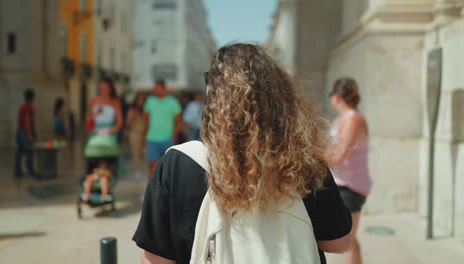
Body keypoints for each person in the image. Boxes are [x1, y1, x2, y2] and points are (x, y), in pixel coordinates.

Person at [133, 44, 352, 264]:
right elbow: (339, 242)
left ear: (213, 97)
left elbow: (154, 259)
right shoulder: (303, 162)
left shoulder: (179, 163)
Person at [327, 77, 372, 264]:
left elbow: (338, 156)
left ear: (336, 97)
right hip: (342, 185)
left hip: (351, 188)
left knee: (348, 242)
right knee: (351, 241)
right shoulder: (342, 120)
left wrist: (310, 153)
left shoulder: (354, 120)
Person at [143, 80, 182, 179]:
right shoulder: (150, 101)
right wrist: (144, 136)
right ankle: (151, 192)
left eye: (157, 88)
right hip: (152, 138)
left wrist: (173, 136)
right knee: (152, 165)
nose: (155, 90)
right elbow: (146, 120)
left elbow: (179, 122)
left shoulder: (173, 102)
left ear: (164, 88)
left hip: (167, 139)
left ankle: (166, 192)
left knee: (167, 167)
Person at [14, 88, 37, 178]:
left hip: (19, 131)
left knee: (19, 152)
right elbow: (27, 120)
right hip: (24, 132)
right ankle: (31, 172)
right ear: (33, 97)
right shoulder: (28, 106)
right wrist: (30, 135)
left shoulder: (23, 106)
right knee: (29, 152)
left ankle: (17, 172)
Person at [126, 94, 147, 179]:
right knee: (136, 153)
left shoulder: (146, 111)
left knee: (146, 153)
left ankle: (146, 170)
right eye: (139, 100)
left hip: (145, 134)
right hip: (134, 134)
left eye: (142, 100)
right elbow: (128, 124)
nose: (140, 102)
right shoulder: (132, 111)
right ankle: (137, 171)